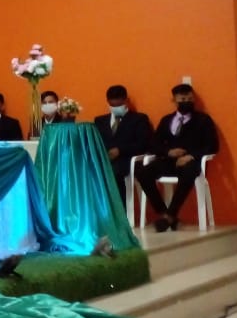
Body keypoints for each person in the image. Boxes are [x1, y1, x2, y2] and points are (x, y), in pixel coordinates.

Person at [135, 84, 219, 232]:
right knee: (142, 172)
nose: (187, 102)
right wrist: (168, 152)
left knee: (189, 172)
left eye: (190, 99)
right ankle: (164, 213)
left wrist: (191, 156)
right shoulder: (167, 120)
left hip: (191, 162)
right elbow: (154, 144)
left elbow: (212, 145)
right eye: (183, 99)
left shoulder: (203, 120)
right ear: (174, 100)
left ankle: (170, 215)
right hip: (169, 161)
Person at [93, 85, 153, 199]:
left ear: (126, 101)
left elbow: (143, 143)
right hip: (105, 158)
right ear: (108, 102)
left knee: (114, 171)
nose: (116, 108)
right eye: (113, 105)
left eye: (119, 105)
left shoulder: (139, 119)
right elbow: (96, 141)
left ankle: (120, 207)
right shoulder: (100, 121)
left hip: (127, 159)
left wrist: (120, 150)